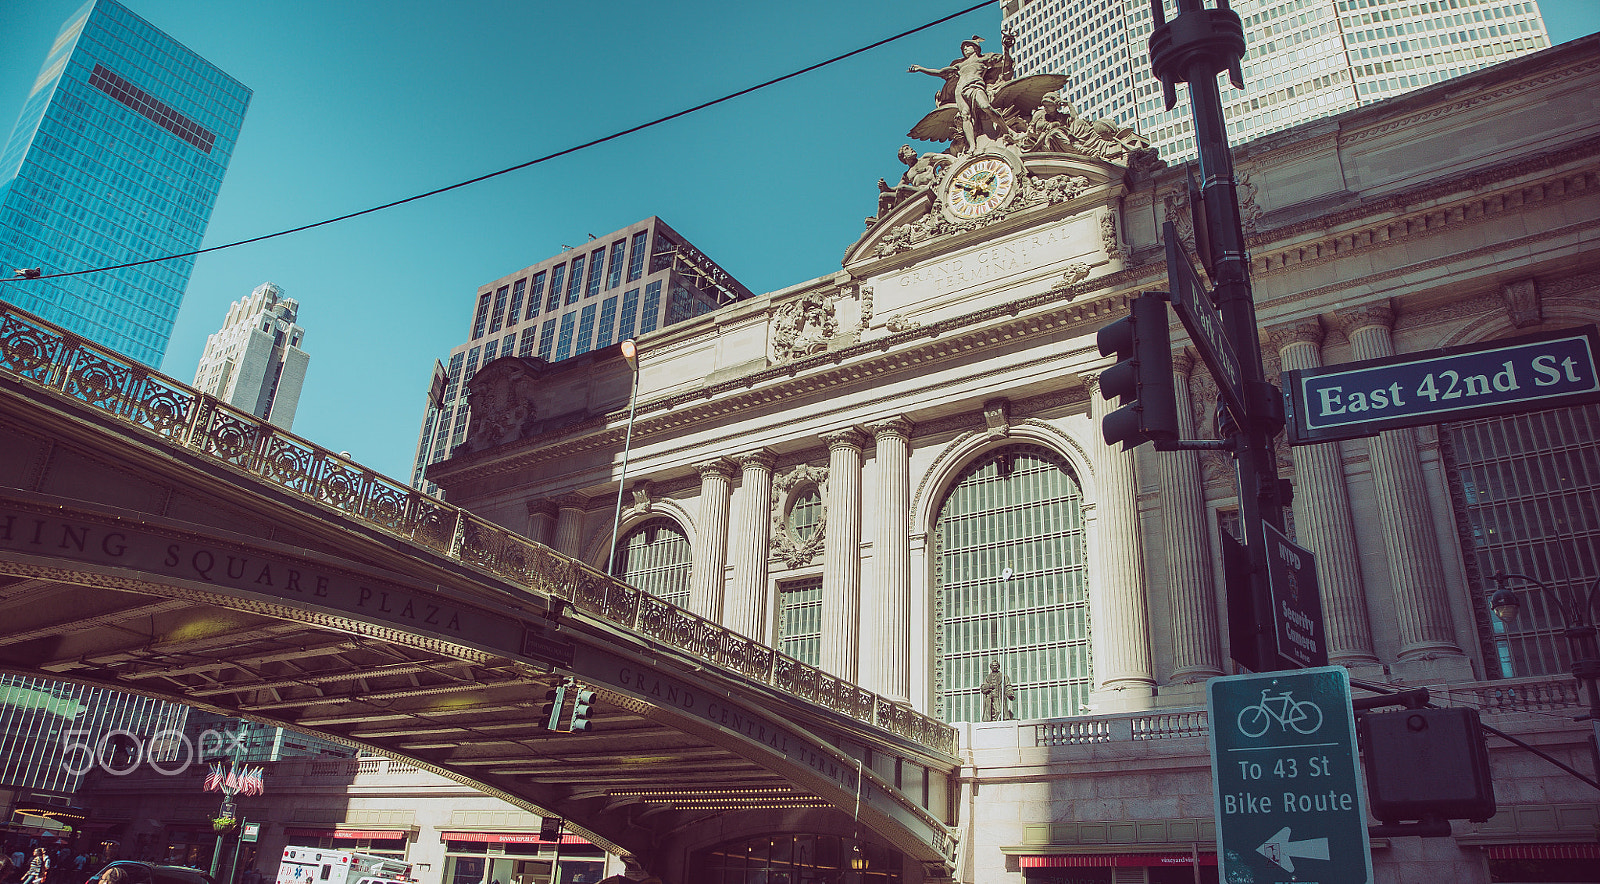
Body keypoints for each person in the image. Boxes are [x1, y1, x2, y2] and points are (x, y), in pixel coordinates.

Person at [908, 32, 1016, 150]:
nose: (964, 49)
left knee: (986, 107)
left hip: (975, 86)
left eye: (967, 46)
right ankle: (972, 146)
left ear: (976, 48)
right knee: (965, 116)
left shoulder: (984, 59)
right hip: (960, 90)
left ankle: (1006, 131)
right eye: (963, 48)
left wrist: (1006, 48)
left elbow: (1005, 64)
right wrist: (921, 69)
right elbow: (941, 72)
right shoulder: (959, 65)